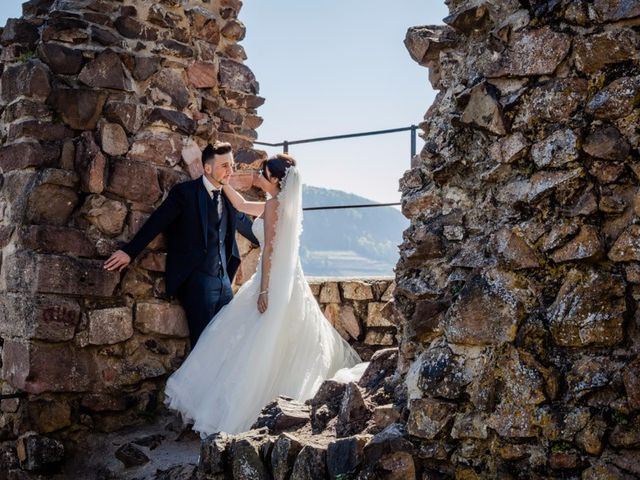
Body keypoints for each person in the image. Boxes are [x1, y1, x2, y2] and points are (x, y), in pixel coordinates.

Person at [164, 153, 369, 437]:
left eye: (263, 172)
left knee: (258, 341)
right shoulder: (282, 204)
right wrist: (221, 182)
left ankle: (244, 411)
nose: (258, 175)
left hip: (272, 281)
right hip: (288, 280)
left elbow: (270, 250)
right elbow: (243, 205)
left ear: (274, 179)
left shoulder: (275, 205)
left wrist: (263, 289)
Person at [103, 142, 260, 347]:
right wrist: (129, 252)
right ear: (207, 168)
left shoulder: (229, 198)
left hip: (224, 283)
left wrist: (274, 231)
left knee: (224, 344)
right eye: (224, 166)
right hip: (197, 282)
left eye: (231, 165)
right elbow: (156, 222)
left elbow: (248, 227)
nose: (230, 171)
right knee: (202, 345)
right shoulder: (185, 193)